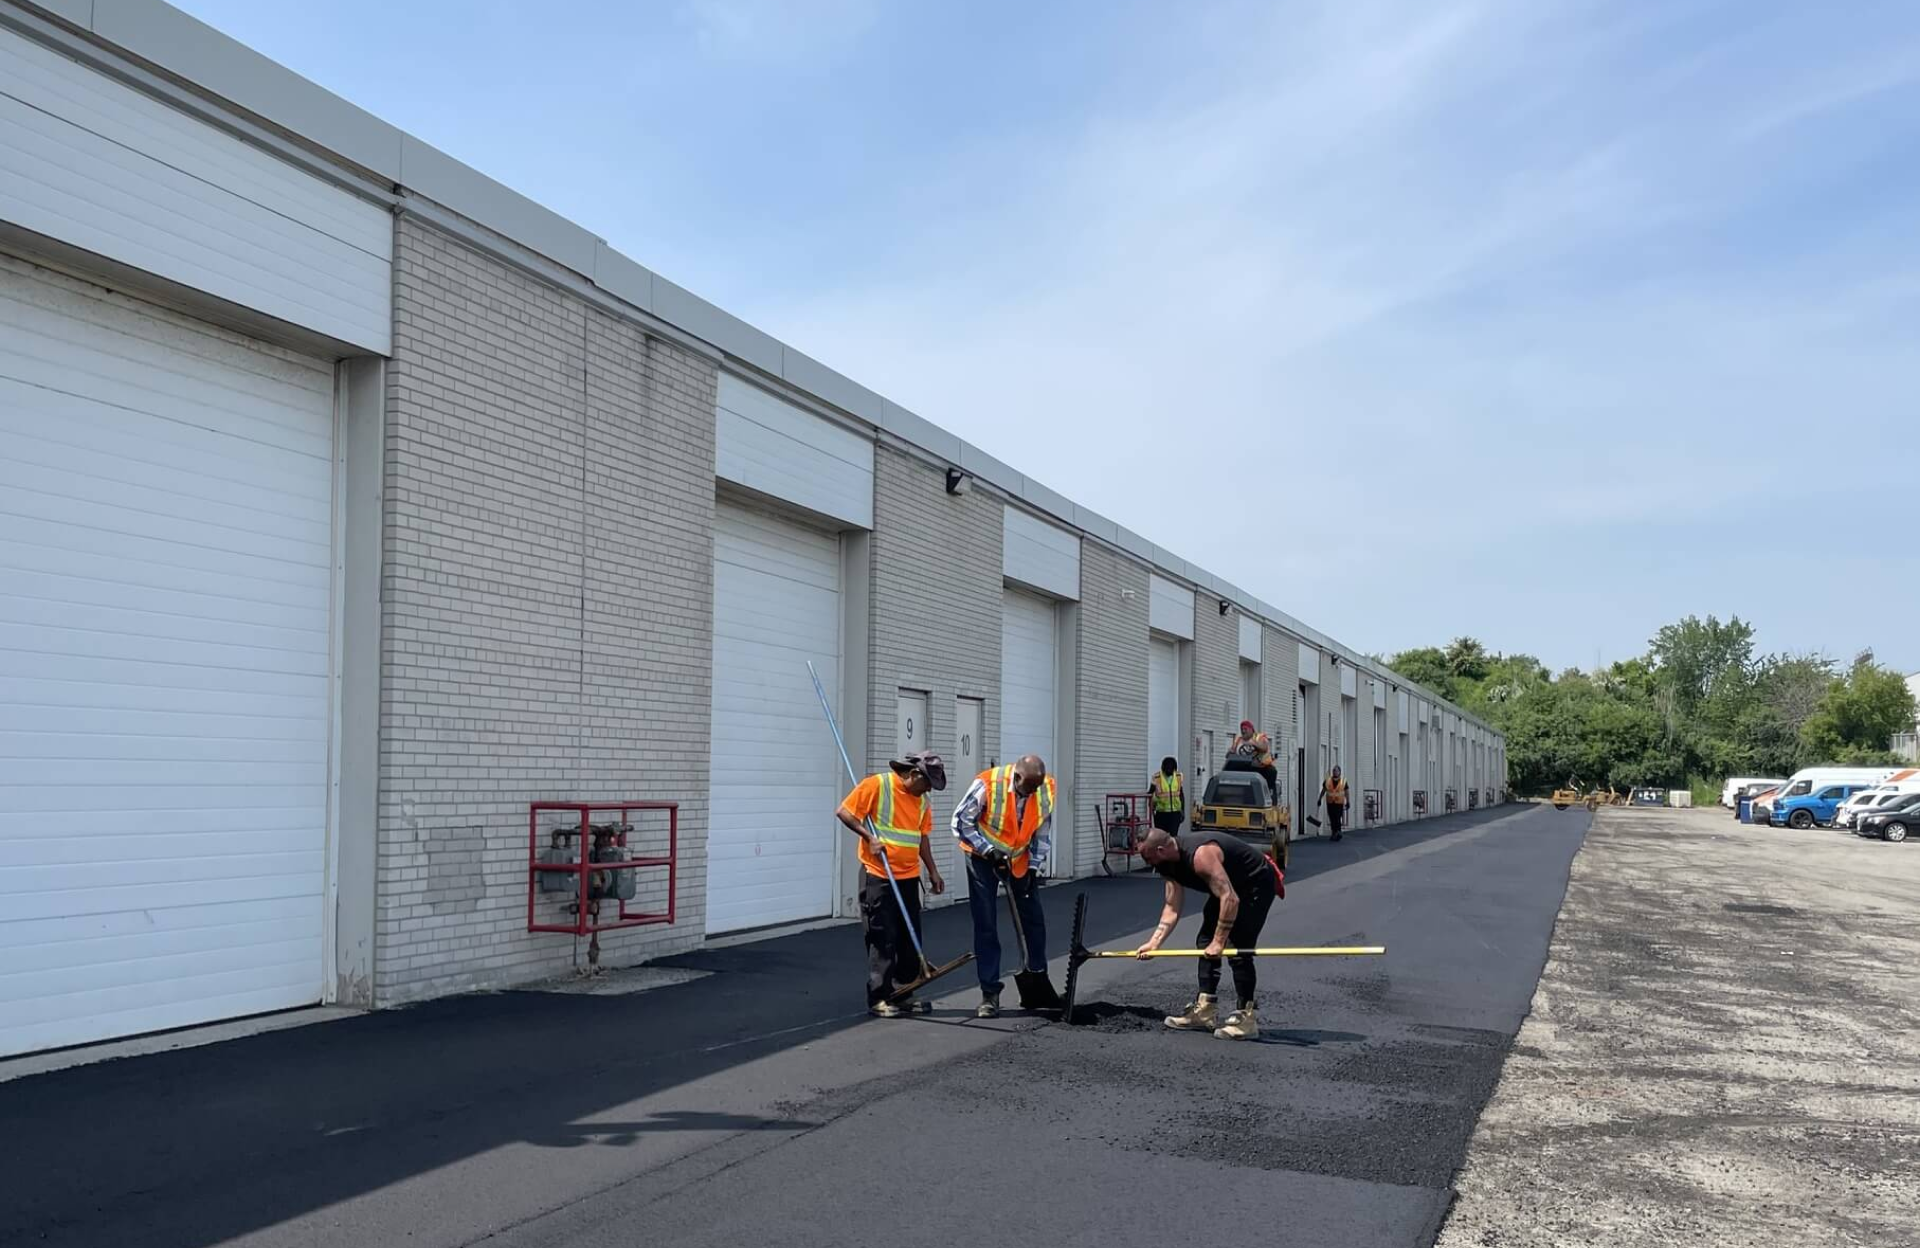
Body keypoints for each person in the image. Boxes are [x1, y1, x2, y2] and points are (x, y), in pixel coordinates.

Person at [1135, 826, 1283, 1041]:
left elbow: (1230, 899)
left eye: (1146, 856)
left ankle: (1246, 1017)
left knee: (1237, 946)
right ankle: (1205, 1010)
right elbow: (1172, 907)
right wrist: (1154, 943)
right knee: (1205, 940)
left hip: (1255, 884)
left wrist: (1219, 941)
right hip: (1228, 888)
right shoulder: (1166, 864)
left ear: (1160, 850)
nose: (1145, 861)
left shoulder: (1201, 855)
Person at [836, 751, 947, 1018]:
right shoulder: (878, 785)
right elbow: (845, 812)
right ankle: (879, 997)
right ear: (914, 774)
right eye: (927, 783)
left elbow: (922, 838)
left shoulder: (922, 801)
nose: (929, 789)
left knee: (909, 937)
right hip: (879, 875)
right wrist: (868, 837)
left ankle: (903, 991)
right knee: (882, 937)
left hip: (909, 876)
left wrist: (932, 870)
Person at [952, 754, 1061, 1018]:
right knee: (986, 922)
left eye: (1037, 788)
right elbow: (960, 822)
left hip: (1019, 857)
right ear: (1018, 776)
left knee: (1033, 919)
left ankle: (1037, 978)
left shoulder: (1044, 788)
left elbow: (1042, 829)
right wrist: (989, 852)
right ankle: (990, 994)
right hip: (982, 858)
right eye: (1029, 788)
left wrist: (1034, 866)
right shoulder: (988, 784)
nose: (1032, 793)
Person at [1229, 720, 1280, 805]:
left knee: (1272, 771)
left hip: (1262, 767)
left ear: (1251, 729)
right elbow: (1232, 752)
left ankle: (1271, 798)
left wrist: (1254, 744)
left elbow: (1264, 748)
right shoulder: (1239, 740)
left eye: (1245, 729)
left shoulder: (1260, 737)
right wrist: (1230, 752)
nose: (1243, 731)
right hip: (1246, 767)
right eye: (1241, 729)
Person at [1148, 756, 1185, 835]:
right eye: (1168, 769)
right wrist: (1151, 808)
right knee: (1161, 836)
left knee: (1173, 836)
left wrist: (1182, 810)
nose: (1170, 771)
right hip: (1161, 813)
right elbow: (1150, 793)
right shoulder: (1157, 777)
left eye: (1171, 769)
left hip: (1175, 813)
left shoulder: (1178, 776)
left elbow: (1181, 794)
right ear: (1163, 768)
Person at [1320, 764, 1348, 841]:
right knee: (1332, 818)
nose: (1335, 772)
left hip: (1339, 803)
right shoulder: (1328, 780)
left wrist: (1348, 802)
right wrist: (1320, 799)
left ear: (1339, 772)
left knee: (1337, 817)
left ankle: (1338, 832)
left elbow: (1346, 792)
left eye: (1336, 771)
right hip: (1330, 803)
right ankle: (1334, 832)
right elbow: (1324, 790)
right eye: (1334, 771)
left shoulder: (1343, 781)